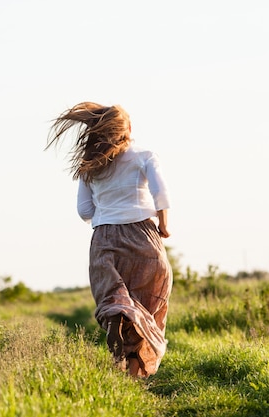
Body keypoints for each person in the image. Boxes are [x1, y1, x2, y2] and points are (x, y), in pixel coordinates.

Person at [46, 102, 173, 378]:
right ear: (128, 130)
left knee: (117, 301)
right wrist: (163, 225)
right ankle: (135, 374)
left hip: (104, 239)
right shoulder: (145, 156)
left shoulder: (90, 166)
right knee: (148, 308)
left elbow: (84, 211)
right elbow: (160, 192)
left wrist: (106, 216)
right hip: (143, 237)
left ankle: (117, 317)